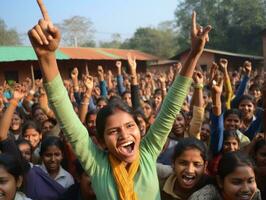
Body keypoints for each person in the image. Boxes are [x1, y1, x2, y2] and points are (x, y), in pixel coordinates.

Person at [28, 1, 211, 198]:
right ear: (101, 141)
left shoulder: (147, 153)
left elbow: (171, 107)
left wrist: (193, 55)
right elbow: (64, 113)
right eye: (114, 131)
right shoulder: (96, 163)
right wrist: (47, 58)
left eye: (130, 126)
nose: (124, 135)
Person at [189, 151, 261, 200]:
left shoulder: (255, 194)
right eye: (237, 182)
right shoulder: (203, 197)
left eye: (250, 181)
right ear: (220, 181)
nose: (246, 189)